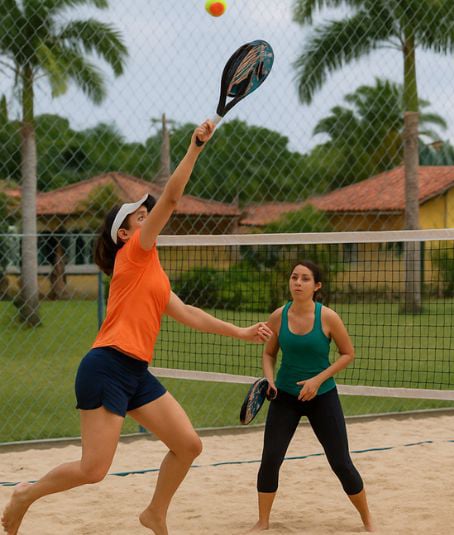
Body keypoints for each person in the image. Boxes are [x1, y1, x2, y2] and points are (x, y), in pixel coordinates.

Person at [1, 120, 273, 535]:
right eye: (141, 217)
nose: (149, 219)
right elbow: (174, 197)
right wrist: (195, 148)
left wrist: (241, 332)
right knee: (94, 469)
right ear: (125, 234)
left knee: (188, 445)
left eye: (147, 215)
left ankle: (155, 513)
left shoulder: (154, 274)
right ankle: (25, 495)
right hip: (106, 366)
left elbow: (189, 313)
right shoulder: (134, 254)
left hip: (135, 372)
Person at [249, 260, 373, 532]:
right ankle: (263, 521)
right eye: (294, 277)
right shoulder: (278, 316)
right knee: (271, 458)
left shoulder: (328, 317)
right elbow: (269, 353)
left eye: (305, 279)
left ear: (317, 286)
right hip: (285, 397)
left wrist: (318, 380)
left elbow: (348, 354)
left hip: (322, 395)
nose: (297, 283)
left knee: (341, 462)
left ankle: (367, 521)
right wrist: (269, 379)